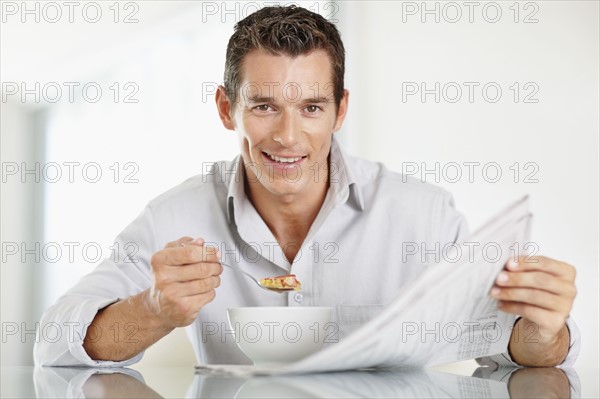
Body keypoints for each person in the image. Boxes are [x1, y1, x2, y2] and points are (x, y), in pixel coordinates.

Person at [34, 5, 578, 368]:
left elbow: (511, 345)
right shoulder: (174, 217)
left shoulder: (422, 214)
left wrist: (546, 326)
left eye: (311, 107)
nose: (289, 137)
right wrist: (153, 310)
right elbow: (53, 348)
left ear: (340, 110)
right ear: (228, 110)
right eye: (265, 106)